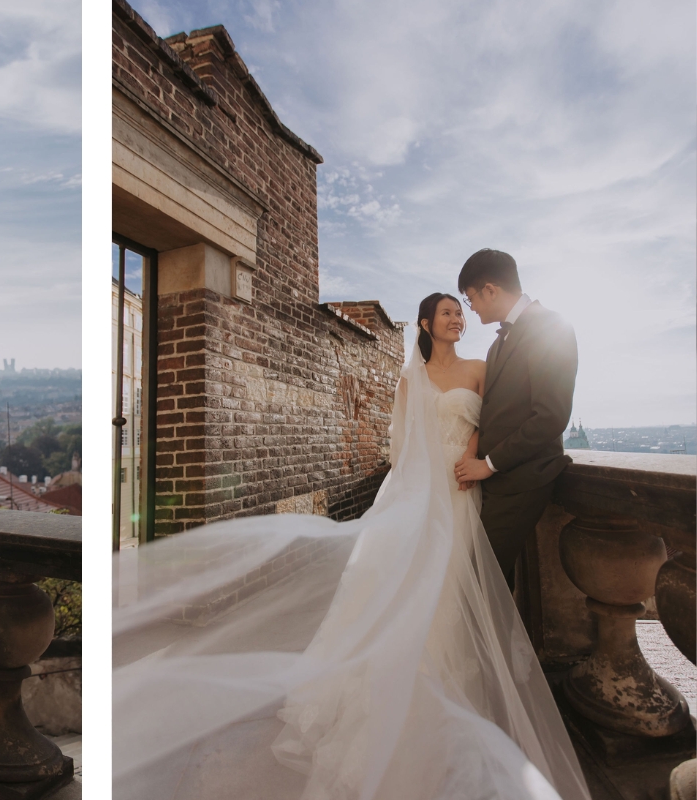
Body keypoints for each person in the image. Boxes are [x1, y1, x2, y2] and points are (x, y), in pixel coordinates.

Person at [112, 283, 590, 799]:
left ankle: (456, 693)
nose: (458, 319)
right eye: (448, 313)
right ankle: (400, 696)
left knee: (451, 589)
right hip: (421, 492)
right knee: (403, 585)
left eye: (460, 311)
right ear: (426, 324)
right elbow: (402, 445)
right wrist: (415, 492)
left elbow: (487, 426)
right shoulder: (411, 378)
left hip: (462, 491)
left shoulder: (479, 368)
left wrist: (472, 462)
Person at [452, 249, 578, 591]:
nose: (471, 307)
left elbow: (551, 416)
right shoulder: (497, 346)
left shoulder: (552, 327)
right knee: (490, 589)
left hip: (523, 480)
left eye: (471, 297)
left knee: (477, 584)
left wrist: (489, 464)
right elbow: (493, 410)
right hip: (495, 482)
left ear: (490, 289)